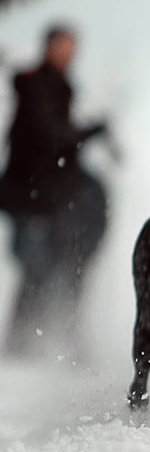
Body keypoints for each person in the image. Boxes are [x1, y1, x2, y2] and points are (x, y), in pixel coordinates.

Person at [0, 22, 109, 358]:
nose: (68, 55)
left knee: (61, 266)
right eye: (63, 47)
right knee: (37, 269)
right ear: (48, 46)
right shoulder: (35, 85)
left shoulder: (59, 87)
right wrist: (89, 131)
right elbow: (50, 137)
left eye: (72, 49)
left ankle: (56, 342)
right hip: (29, 195)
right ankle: (20, 348)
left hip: (51, 198)